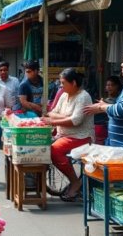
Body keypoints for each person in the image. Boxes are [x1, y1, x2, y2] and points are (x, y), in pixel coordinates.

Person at [43, 68, 94, 201]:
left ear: (74, 83)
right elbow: (52, 112)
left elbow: (76, 121)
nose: (60, 86)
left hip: (80, 136)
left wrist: (55, 120)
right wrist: (65, 116)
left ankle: (75, 182)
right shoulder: (64, 95)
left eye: (63, 83)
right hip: (63, 134)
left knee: (54, 151)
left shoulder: (83, 96)